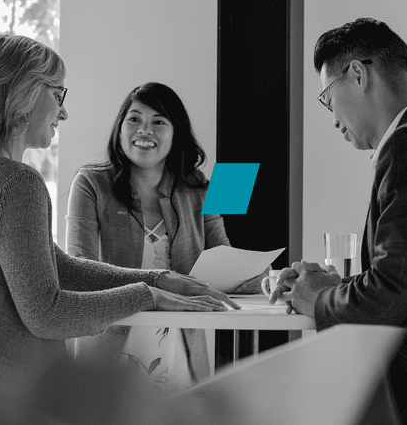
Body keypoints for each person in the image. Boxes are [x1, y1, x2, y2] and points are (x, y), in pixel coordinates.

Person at [0, 34, 239, 389]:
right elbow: (47, 312)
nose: (63, 111)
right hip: (9, 398)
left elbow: (58, 267)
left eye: (160, 122)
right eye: (58, 94)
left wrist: (156, 280)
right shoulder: (26, 183)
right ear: (23, 93)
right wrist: (147, 294)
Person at [271, 18, 407, 424]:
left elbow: (393, 289)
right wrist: (333, 285)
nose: (333, 117)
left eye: (327, 97)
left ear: (357, 74)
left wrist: (317, 298)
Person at [65, 83, 266, 389]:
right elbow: (82, 268)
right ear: (120, 128)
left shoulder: (197, 187)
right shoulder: (91, 183)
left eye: (158, 122)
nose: (144, 131)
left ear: (176, 133)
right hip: (109, 349)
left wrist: (258, 277)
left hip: (182, 349)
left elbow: (223, 260)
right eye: (134, 119)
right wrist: (157, 284)